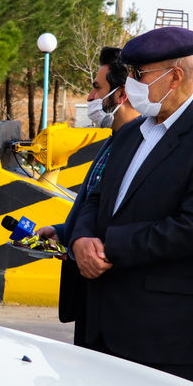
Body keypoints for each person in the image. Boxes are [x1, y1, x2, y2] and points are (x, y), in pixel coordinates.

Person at [68, 27, 193, 386]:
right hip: (101, 325)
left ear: (175, 76)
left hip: (166, 337)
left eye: (139, 75)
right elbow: (96, 198)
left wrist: (110, 246)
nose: (130, 83)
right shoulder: (131, 134)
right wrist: (81, 239)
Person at [36, 46, 137, 345]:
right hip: (90, 296)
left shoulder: (136, 148)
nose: (90, 98)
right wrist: (64, 232)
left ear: (122, 95)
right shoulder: (113, 142)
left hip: (111, 300)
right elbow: (98, 205)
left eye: (96, 88)